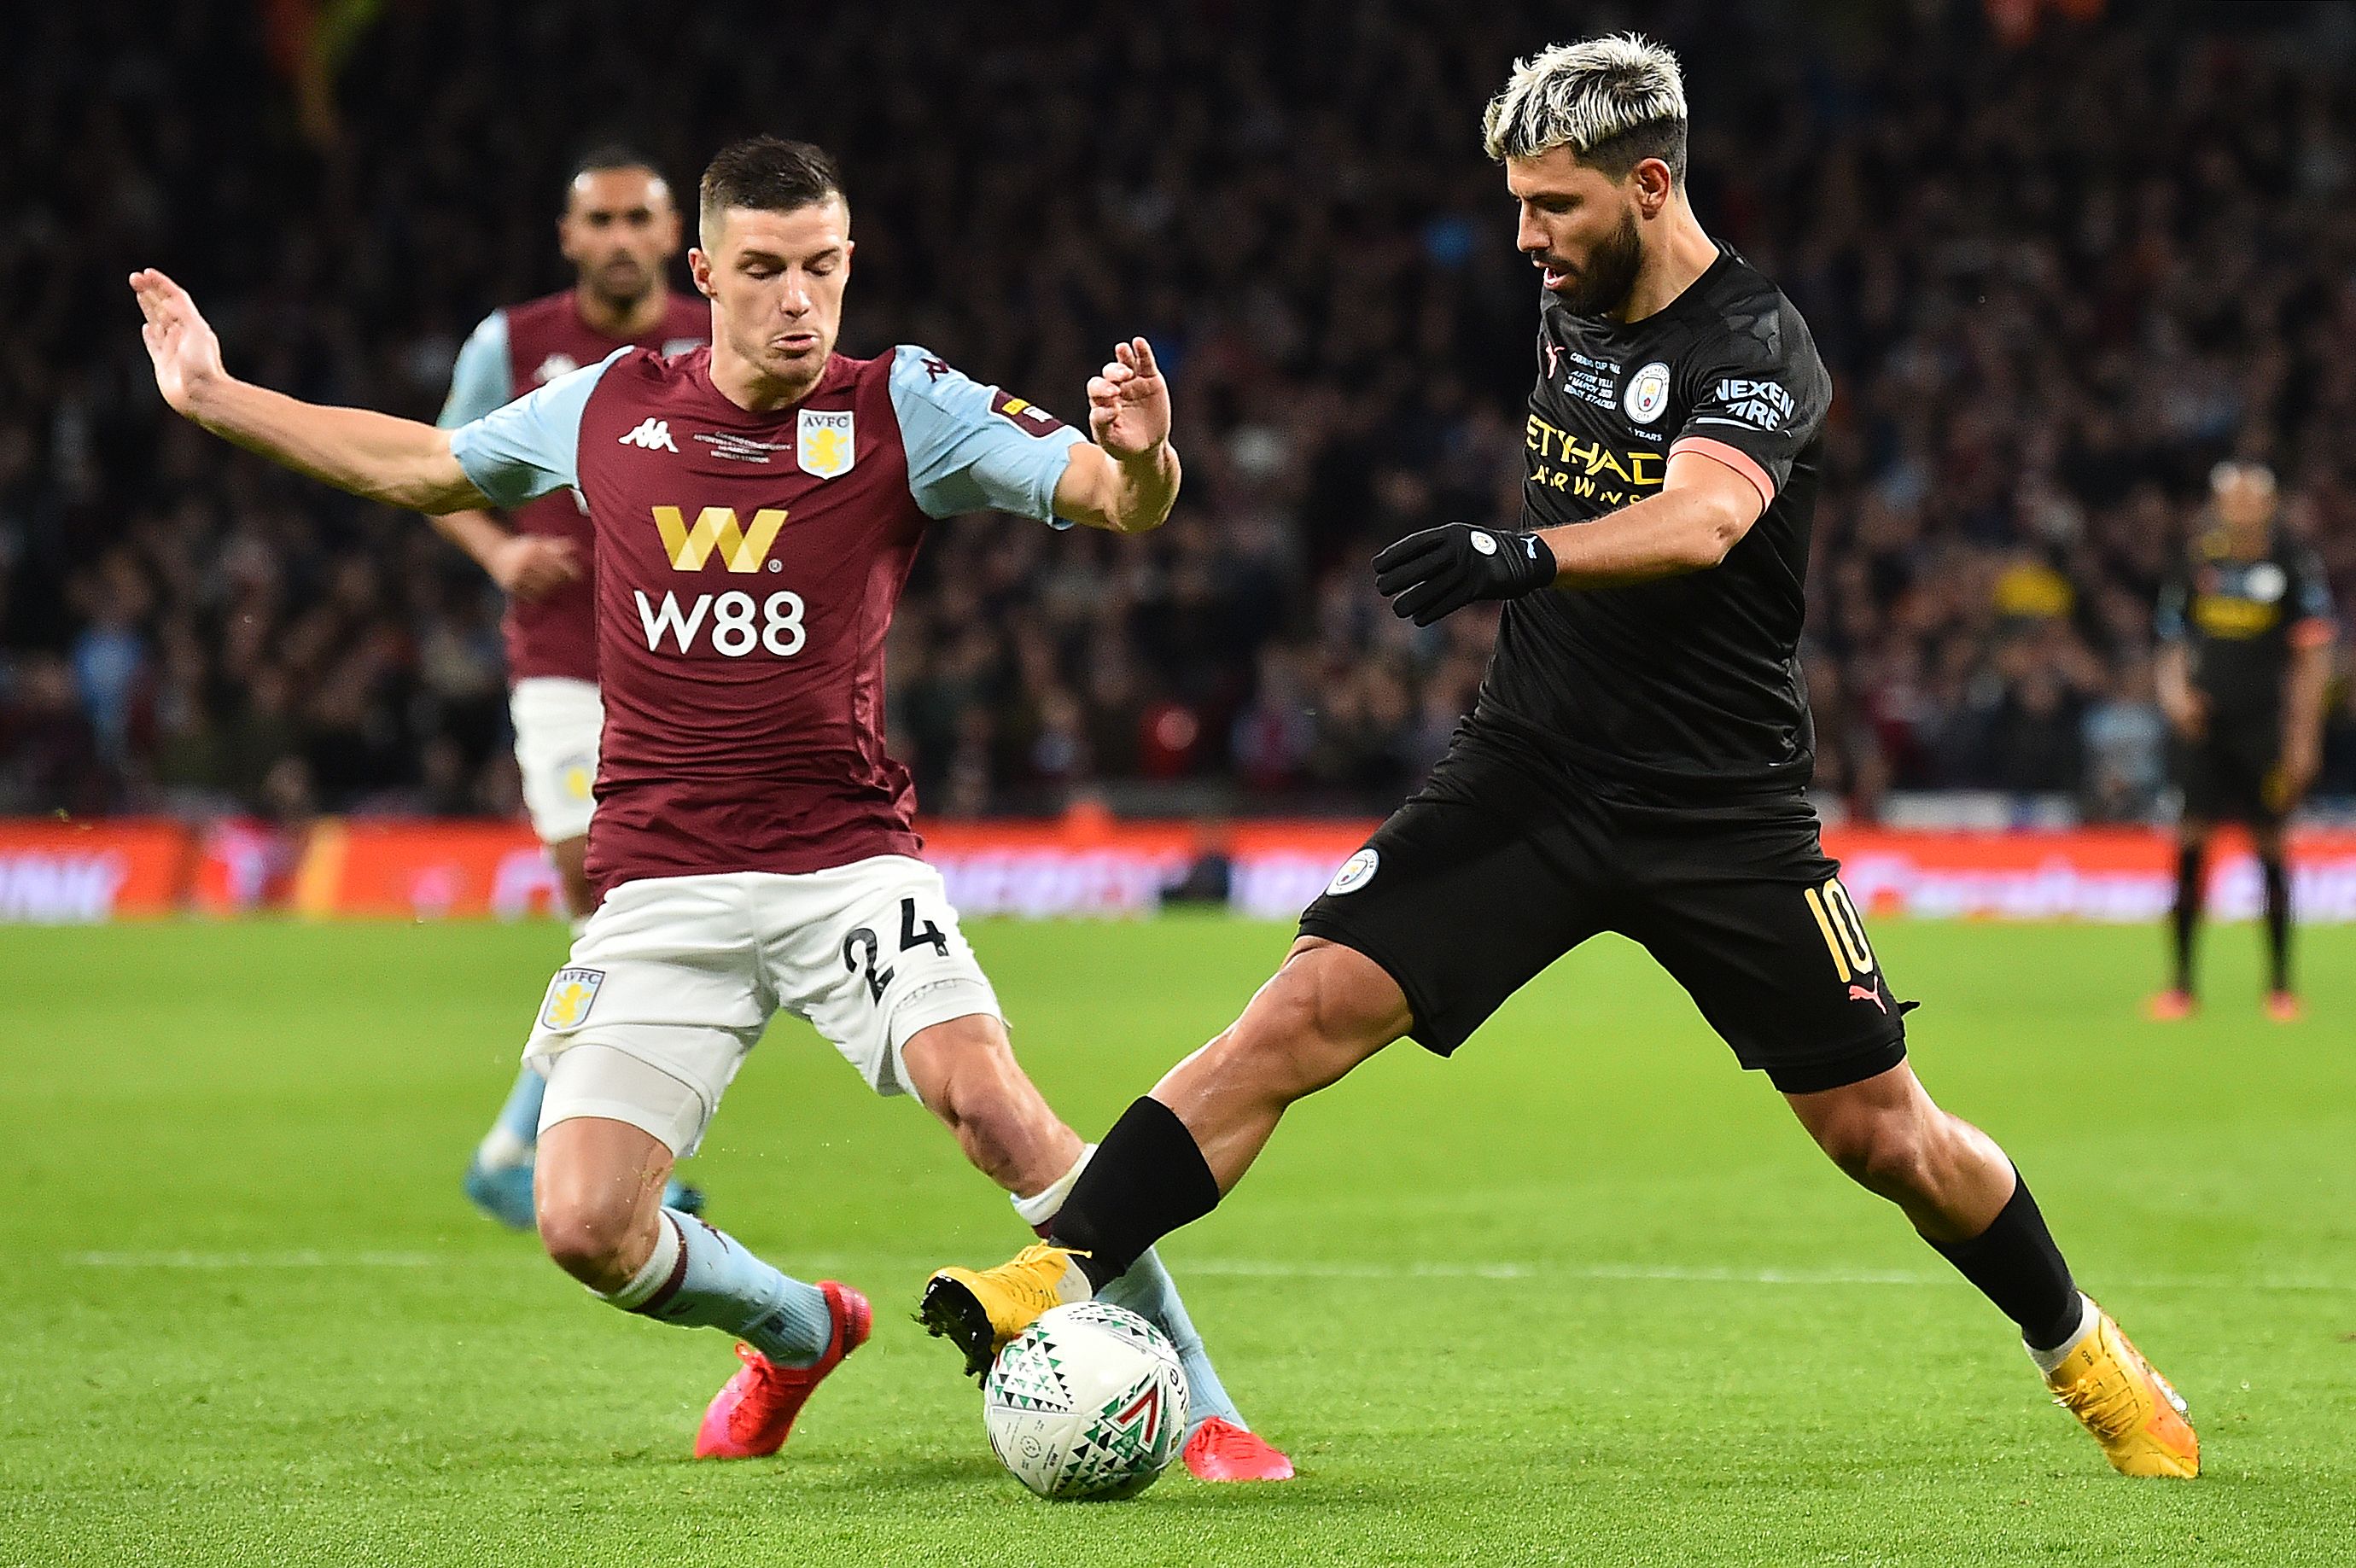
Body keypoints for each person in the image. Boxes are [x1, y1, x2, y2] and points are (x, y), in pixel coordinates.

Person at [920, 37, 2198, 1481]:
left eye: (1554, 206)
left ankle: (2084, 1352)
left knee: (1884, 1135)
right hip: (1527, 770)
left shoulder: (1756, 342)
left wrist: (1523, 553)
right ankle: (1062, 1265)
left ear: (1649, 185)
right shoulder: (1568, 302)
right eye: (1519, 205)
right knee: (1300, 1008)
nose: (1527, 237)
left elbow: (1709, 518)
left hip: (1720, 808)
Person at [130, 135, 1291, 1480]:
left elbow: (1111, 496)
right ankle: (798, 1329)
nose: (800, 299)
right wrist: (214, 396)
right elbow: (422, 466)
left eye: (823, 268)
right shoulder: (608, 406)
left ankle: (1204, 1407)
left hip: (845, 865)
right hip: (661, 886)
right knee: (584, 1226)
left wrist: (1146, 461)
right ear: (706, 272)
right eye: (765, 269)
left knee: (991, 1105)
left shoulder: (904, 403)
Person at [434, 144, 714, 1232]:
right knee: (597, 887)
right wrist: (501, 552)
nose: (619, 238)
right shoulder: (512, 344)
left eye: (638, 218)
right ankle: (558, 1148)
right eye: (599, 220)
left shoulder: (718, 334)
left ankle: (532, 1148)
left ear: (673, 234)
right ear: (568, 237)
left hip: (691, 665)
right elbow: (439, 465)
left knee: (659, 915)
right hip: (563, 663)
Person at [2149, 461, 2336, 1023]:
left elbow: (2313, 655)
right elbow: (2170, 642)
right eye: (2232, 500)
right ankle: (2181, 986)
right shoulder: (2197, 561)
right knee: (2191, 841)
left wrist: (2304, 737)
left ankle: (2280, 986)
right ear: (2218, 505)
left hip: (2263, 728)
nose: (2241, 510)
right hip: (2205, 728)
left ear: (2269, 506)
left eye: (2251, 500)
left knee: (2271, 845)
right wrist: (2176, 696)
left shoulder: (2292, 564)